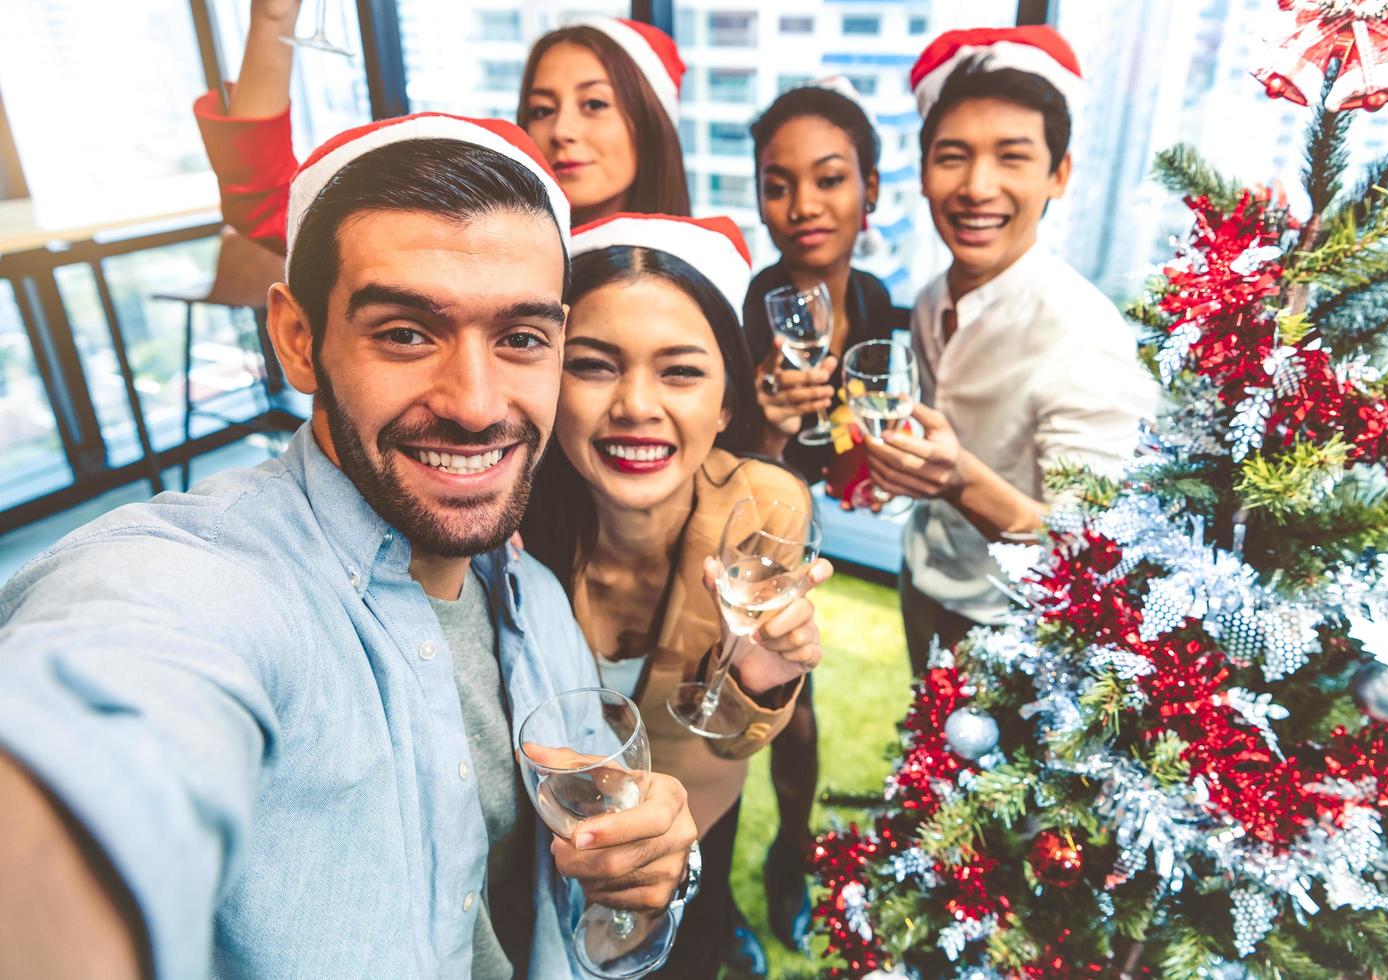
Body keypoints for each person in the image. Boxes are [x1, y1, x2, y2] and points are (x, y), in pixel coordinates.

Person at [0, 115, 709, 980]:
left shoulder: (535, 598)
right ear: (299, 340)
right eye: (407, 333)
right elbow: (118, 694)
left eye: (520, 337)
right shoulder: (209, 581)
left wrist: (650, 863)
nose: (477, 403)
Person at [520, 213, 827, 977]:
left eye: (681, 372)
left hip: (697, 806)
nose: (635, 405)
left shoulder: (768, 505)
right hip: (547, 835)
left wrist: (760, 678)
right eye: (593, 365)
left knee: (695, 933)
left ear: (726, 403)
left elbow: (728, 737)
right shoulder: (505, 514)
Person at [862, 27, 1157, 674]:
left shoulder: (1083, 332)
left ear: (1059, 174)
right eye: (952, 156)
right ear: (922, 173)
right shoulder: (933, 294)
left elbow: (1088, 551)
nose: (976, 186)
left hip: (1019, 624)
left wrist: (959, 480)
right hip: (924, 576)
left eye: (1012, 156)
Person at [738, 78, 907, 950]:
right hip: (735, 528)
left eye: (830, 178)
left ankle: (790, 856)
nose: (803, 204)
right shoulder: (740, 308)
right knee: (762, 702)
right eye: (778, 183)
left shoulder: (875, 300)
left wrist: (870, 463)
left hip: (811, 519)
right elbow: (720, 474)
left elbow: (855, 427)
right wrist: (765, 428)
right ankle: (726, 891)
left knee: (796, 699)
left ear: (870, 191)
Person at [194, 1, 689, 255]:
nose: (562, 130)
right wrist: (271, 18)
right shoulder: (482, 242)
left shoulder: (701, 265)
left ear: (650, 122)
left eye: (595, 103)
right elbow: (268, 202)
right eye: (541, 110)